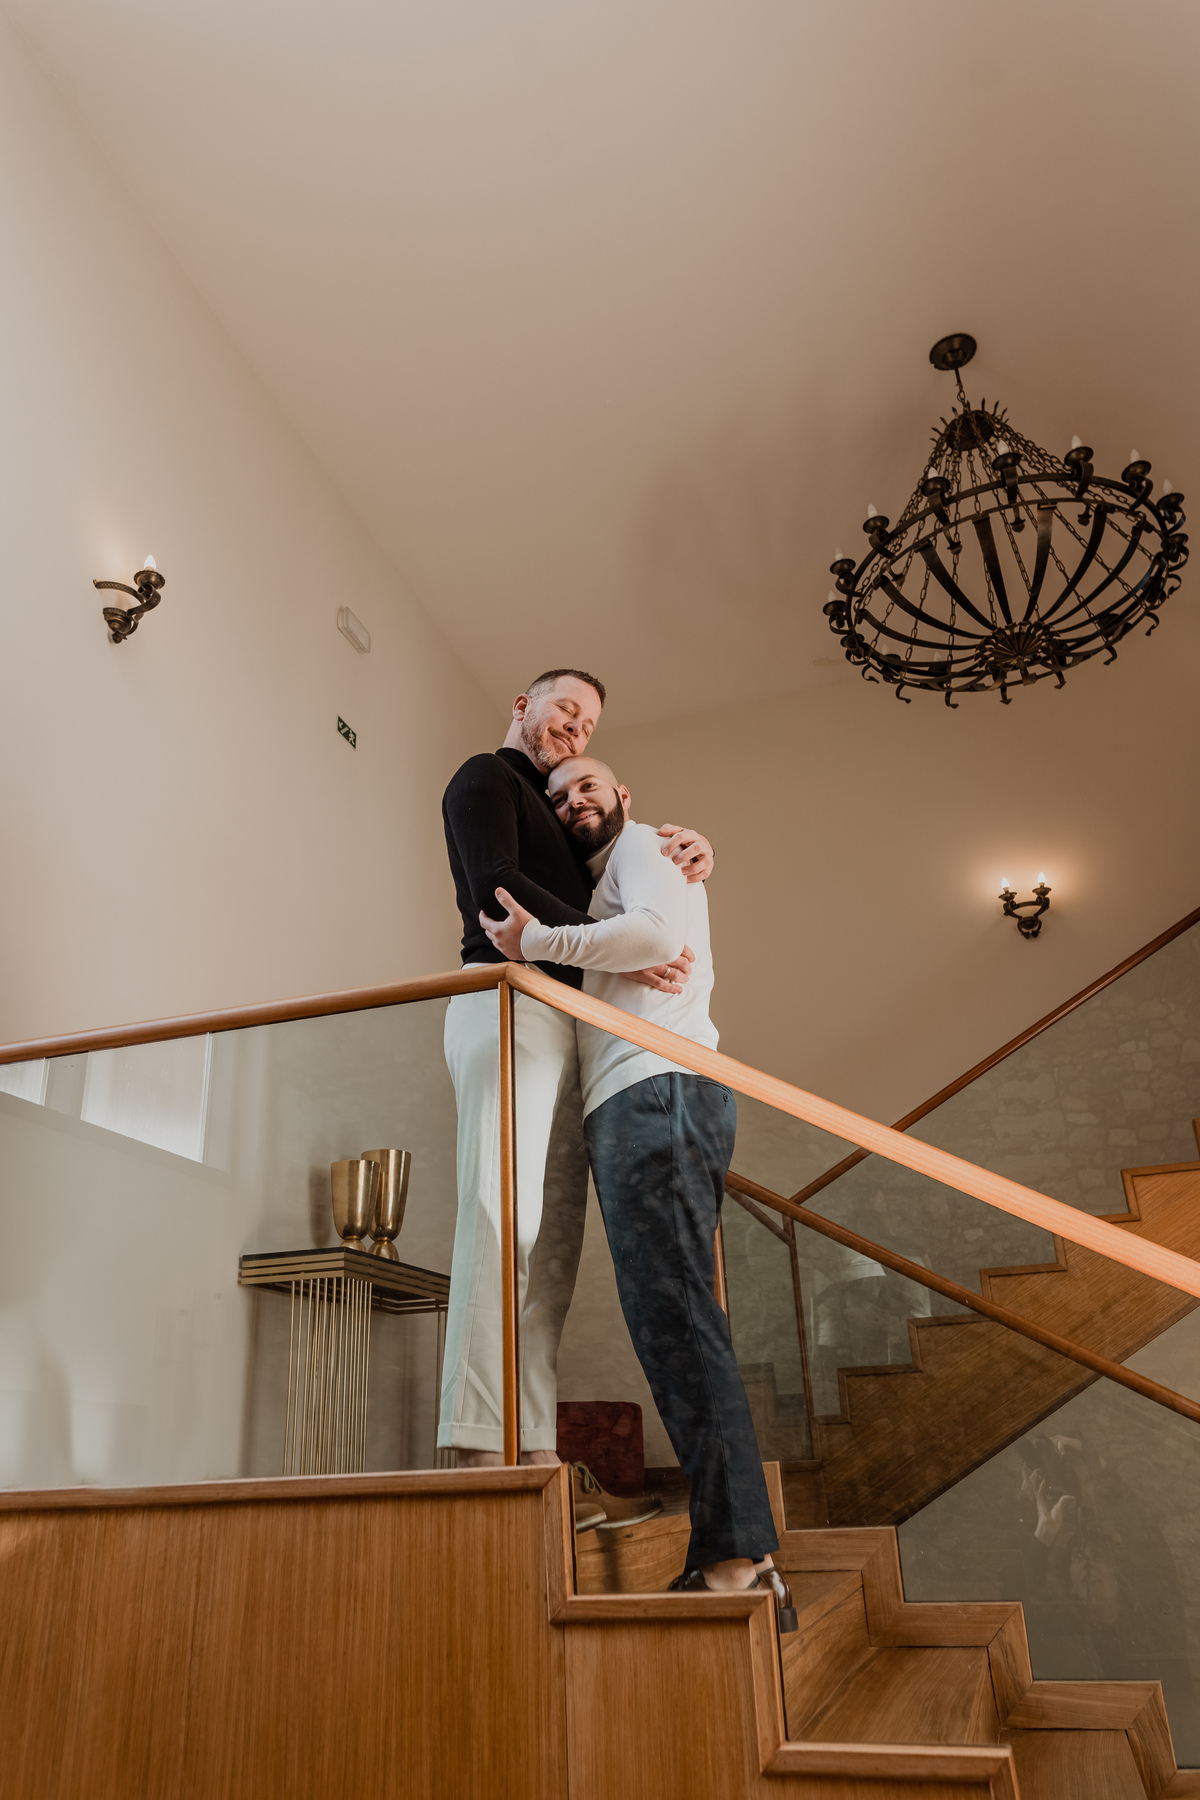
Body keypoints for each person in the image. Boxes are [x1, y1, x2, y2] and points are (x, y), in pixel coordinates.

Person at [480, 753, 796, 1631]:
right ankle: (746, 1557)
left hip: (657, 1092)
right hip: (644, 1099)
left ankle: (735, 1560)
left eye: (588, 785)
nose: (572, 800)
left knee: (677, 1321)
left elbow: (656, 940)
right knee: (674, 1322)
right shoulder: (607, 887)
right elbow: (638, 940)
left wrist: (535, 943)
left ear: (623, 796)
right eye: (557, 796)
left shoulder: (648, 846)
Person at [439, 670, 714, 1467]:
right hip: (505, 995)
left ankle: (528, 1441)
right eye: (566, 708)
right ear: (523, 705)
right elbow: (497, 885)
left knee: (552, 1245)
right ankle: (474, 1439)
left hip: (570, 1021)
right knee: (499, 1214)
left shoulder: (566, 820)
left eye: (588, 723)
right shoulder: (484, 777)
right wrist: (619, 950)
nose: (576, 727)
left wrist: (693, 847)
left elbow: (628, 880)